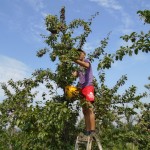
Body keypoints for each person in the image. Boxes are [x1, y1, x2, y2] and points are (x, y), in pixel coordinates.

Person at [72, 49, 95, 136]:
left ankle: (92, 130)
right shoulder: (78, 66)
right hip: (81, 88)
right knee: (84, 110)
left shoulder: (86, 61)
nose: (78, 55)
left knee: (89, 108)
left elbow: (86, 65)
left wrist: (75, 60)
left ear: (84, 54)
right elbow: (75, 75)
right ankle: (87, 130)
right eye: (77, 54)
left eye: (80, 53)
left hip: (88, 86)